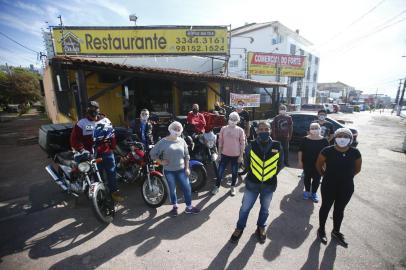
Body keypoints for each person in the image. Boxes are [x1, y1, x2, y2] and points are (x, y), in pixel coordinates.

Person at [230, 121, 284, 244]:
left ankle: (261, 227)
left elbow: (280, 164)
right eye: (261, 129)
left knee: (265, 209)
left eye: (266, 129)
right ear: (257, 131)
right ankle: (239, 228)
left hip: (269, 185)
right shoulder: (251, 145)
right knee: (244, 208)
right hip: (252, 184)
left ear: (270, 130)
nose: (264, 131)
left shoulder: (277, 145)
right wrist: (254, 174)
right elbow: (247, 163)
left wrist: (270, 175)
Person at [315, 128, 362, 247]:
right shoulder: (327, 151)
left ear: (351, 139)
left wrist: (346, 177)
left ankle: (336, 231)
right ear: (335, 137)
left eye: (346, 136)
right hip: (329, 184)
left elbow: (357, 169)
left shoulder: (355, 152)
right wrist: (324, 175)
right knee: (325, 207)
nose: (342, 138)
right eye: (340, 135)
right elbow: (319, 165)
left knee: (339, 209)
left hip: (346, 186)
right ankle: (321, 229)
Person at [70, 101, 123, 202]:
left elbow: (112, 134)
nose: (92, 115)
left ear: (98, 111)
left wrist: (113, 146)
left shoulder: (106, 120)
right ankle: (100, 195)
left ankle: (114, 192)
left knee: (111, 172)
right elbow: (74, 140)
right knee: (96, 175)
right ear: (87, 112)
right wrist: (82, 150)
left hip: (107, 152)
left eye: (94, 111)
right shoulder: (81, 124)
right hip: (91, 154)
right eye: (90, 112)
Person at [150, 121, 200, 216]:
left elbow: (186, 155)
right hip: (169, 171)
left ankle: (189, 207)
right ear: (170, 129)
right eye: (174, 129)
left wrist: (187, 168)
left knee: (187, 188)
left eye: (178, 129)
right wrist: (160, 162)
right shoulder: (163, 142)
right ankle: (174, 207)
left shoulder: (182, 141)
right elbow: (153, 153)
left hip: (181, 169)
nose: (176, 131)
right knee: (172, 189)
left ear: (181, 130)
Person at [211, 112, 245, 196]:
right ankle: (217, 186)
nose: (233, 121)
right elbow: (220, 142)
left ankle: (232, 186)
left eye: (235, 119)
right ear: (228, 119)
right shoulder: (223, 128)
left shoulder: (240, 130)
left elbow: (243, 143)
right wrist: (219, 154)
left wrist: (241, 156)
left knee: (234, 172)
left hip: (236, 155)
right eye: (231, 119)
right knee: (220, 171)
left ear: (237, 120)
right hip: (224, 154)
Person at [298, 123, 329, 202]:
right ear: (309, 129)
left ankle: (314, 193)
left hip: (319, 164)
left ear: (320, 129)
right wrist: (300, 161)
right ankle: (307, 192)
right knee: (307, 177)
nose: (314, 129)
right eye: (312, 128)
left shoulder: (324, 140)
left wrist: (325, 164)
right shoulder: (304, 139)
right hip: (307, 163)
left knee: (317, 179)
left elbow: (327, 154)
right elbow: (300, 151)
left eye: (316, 128)